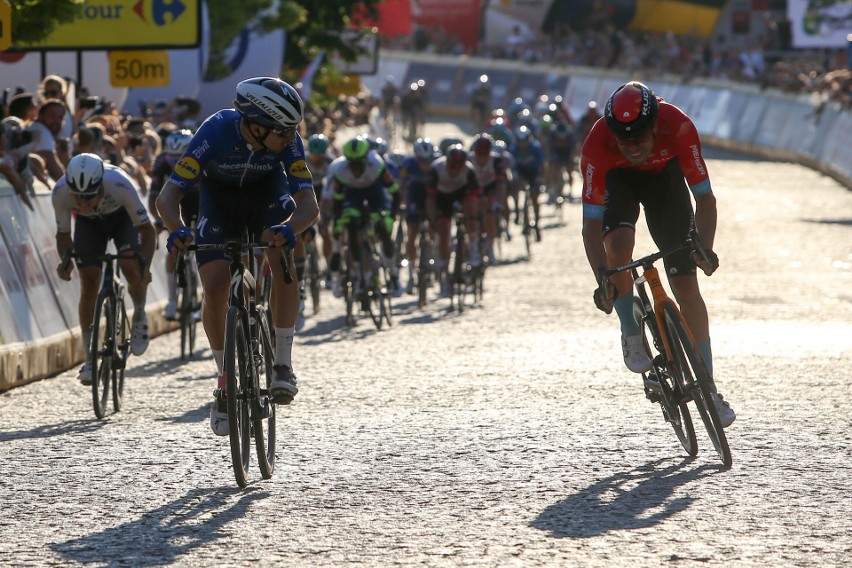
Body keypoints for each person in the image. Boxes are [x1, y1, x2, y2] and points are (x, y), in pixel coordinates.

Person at [156, 77, 318, 436]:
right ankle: (224, 378)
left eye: (295, 129)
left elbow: (309, 204)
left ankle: (282, 364)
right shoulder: (213, 132)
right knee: (214, 288)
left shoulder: (288, 143)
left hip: (267, 195)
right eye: (283, 130)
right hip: (220, 201)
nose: (291, 137)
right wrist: (177, 228)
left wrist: (290, 229)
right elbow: (168, 197)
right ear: (256, 125)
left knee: (280, 258)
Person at [580, 81, 736, 427]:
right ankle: (630, 327)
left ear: (655, 127)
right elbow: (590, 228)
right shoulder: (596, 143)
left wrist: (704, 248)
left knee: (685, 286)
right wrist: (602, 278)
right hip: (618, 183)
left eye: (640, 139)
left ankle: (708, 388)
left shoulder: (677, 125)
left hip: (665, 182)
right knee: (618, 249)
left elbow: (705, 199)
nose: (633, 148)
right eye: (624, 141)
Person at [53, 153, 155, 384]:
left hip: (122, 220)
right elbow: (63, 235)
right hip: (89, 225)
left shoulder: (118, 183)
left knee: (131, 266)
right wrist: (66, 261)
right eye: (77, 197)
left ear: (100, 185)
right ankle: (89, 358)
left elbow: (148, 231)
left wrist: (145, 267)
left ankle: (139, 313)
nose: (83, 203)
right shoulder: (60, 192)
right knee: (88, 284)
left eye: (88, 196)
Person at [325, 136, 399, 299]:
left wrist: (391, 217)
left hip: (375, 194)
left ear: (366, 158)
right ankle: (359, 273)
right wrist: (337, 223)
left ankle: (393, 274)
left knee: (383, 229)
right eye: (352, 164)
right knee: (351, 223)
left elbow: (395, 193)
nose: (356, 168)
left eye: (359, 163)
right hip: (353, 196)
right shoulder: (340, 170)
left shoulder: (378, 165)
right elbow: (337, 203)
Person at [147, 128, 197, 320]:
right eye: (172, 159)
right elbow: (154, 198)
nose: (175, 163)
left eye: (180, 159)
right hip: (174, 201)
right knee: (174, 248)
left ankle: (198, 293)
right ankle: (172, 300)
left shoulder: (202, 159)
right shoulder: (160, 164)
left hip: (198, 200)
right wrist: (161, 220)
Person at [426, 145, 481, 297]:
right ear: (447, 162)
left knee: (471, 207)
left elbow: (477, 196)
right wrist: (432, 218)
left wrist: (474, 217)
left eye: (459, 166)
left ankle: (473, 244)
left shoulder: (469, 171)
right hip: (442, 199)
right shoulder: (436, 169)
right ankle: (444, 271)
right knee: (444, 232)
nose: (455, 169)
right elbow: (430, 198)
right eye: (452, 165)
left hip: (461, 195)